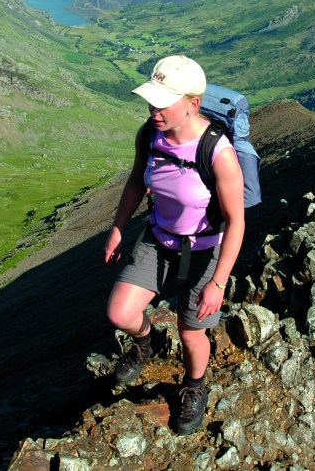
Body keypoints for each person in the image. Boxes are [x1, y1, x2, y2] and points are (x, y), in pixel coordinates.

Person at [103, 54, 245, 435]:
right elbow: (137, 181)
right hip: (158, 237)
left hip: (204, 248)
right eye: (152, 101)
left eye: (163, 104)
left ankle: (195, 387)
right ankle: (145, 344)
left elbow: (236, 221)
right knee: (120, 314)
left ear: (192, 104)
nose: (153, 111)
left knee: (190, 331)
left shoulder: (218, 152)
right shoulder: (149, 135)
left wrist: (218, 283)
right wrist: (118, 228)